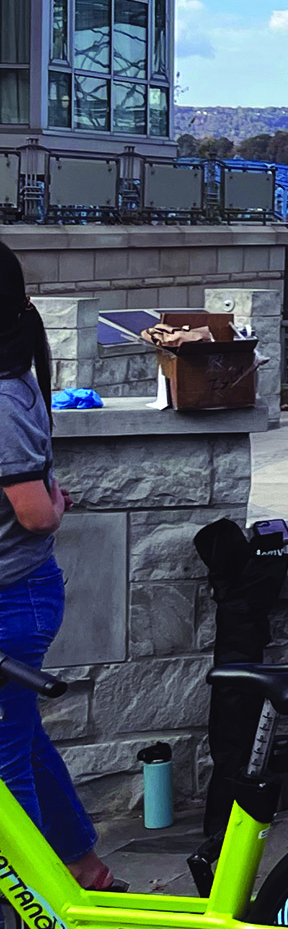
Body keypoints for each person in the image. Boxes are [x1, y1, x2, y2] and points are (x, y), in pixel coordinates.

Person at [0, 239, 111, 892]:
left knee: (6, 768)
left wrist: (53, 503)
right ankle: (83, 870)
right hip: (20, 592)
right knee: (24, 744)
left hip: (13, 600)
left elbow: (36, 512)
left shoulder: (3, 398)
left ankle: (38, 916)